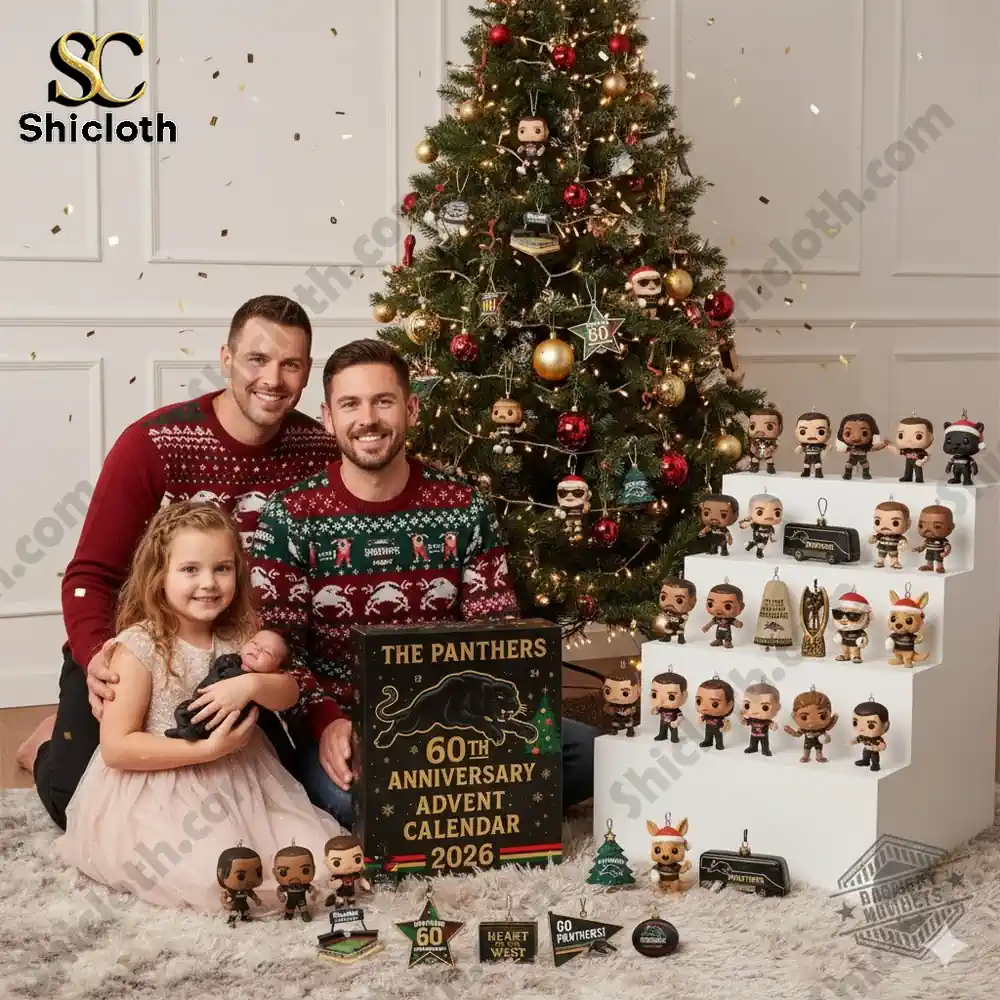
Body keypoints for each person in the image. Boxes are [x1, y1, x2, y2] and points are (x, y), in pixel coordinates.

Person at [18, 294, 339, 830]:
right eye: (258, 360)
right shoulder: (154, 443)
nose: (273, 379)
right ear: (227, 358)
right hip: (139, 654)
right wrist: (97, 656)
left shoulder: (317, 449)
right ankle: (47, 743)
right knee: (81, 807)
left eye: (292, 364)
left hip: (236, 654)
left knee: (274, 800)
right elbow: (89, 576)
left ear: (307, 372)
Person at [251, 339, 600, 825]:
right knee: (355, 801)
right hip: (343, 722)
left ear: (411, 409)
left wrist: (487, 724)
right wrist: (326, 721)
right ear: (328, 418)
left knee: (594, 757)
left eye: (383, 401)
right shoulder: (290, 514)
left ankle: (447, 803)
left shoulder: (464, 505)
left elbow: (495, 631)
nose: (367, 419)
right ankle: (459, 803)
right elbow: (281, 647)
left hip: (456, 720)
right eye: (350, 404)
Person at [52, 502, 343, 912]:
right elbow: (118, 748)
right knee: (219, 874)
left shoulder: (241, 633)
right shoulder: (140, 648)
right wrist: (206, 751)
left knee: (309, 859)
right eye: (190, 570)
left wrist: (253, 684)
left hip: (243, 777)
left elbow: (290, 694)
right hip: (163, 785)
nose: (208, 583)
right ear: (159, 576)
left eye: (221, 569)